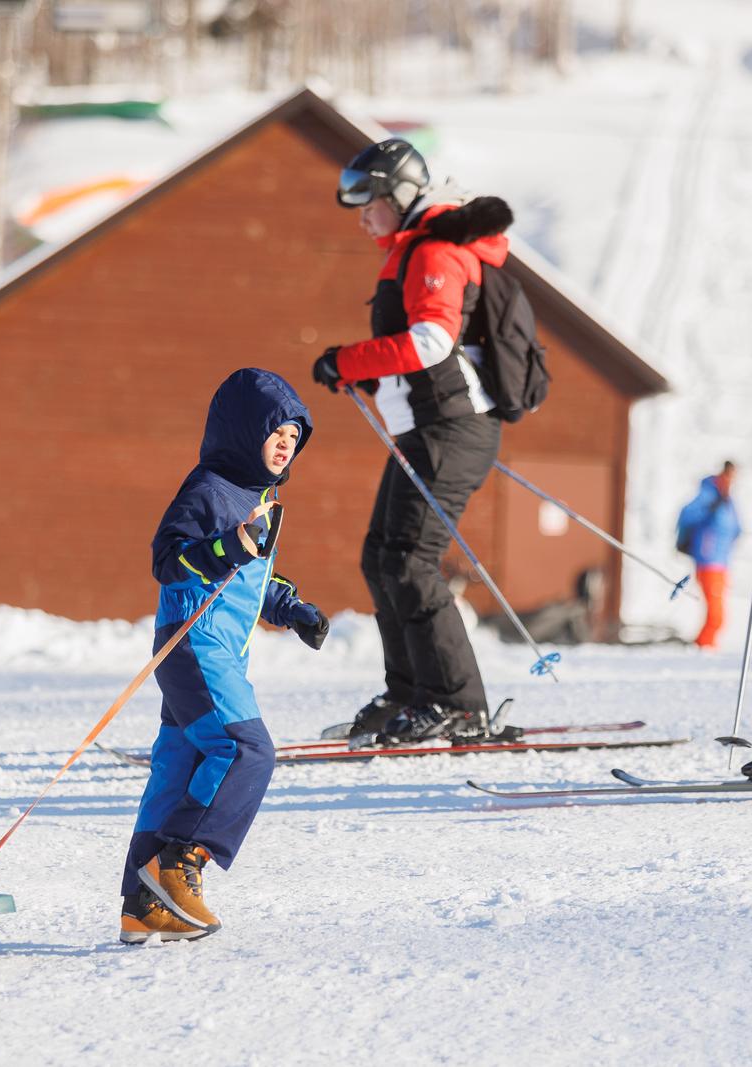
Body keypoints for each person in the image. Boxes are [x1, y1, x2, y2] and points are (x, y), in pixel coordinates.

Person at [311, 138, 516, 744]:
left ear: (398, 194)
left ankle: (458, 704)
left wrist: (351, 360)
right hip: (427, 429)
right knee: (382, 558)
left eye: (368, 199)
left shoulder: (432, 251)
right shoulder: (414, 250)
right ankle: (412, 693)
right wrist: (369, 366)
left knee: (409, 561)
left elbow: (432, 342)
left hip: (452, 428)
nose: (361, 214)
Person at [119, 368, 328, 944]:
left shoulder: (260, 498)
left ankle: (142, 904)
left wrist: (290, 607)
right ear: (241, 433)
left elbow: (252, 576)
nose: (287, 444)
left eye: (295, 435)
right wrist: (225, 546)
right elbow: (169, 558)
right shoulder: (209, 489)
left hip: (219, 650)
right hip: (194, 640)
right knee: (245, 749)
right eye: (275, 432)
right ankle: (181, 861)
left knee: (179, 766)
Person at [675, 462, 741, 648]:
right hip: (708, 560)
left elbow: (736, 527)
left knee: (718, 615)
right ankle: (702, 647)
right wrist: (708, 510)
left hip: (721, 562)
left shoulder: (728, 500)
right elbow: (687, 513)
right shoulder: (709, 494)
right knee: (716, 615)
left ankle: (704, 646)